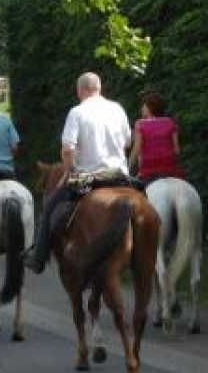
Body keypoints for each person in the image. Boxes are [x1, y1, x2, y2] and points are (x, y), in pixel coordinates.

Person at [23, 72, 131, 274]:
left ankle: (38, 257)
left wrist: (68, 170)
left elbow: (67, 148)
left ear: (80, 90)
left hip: (89, 178)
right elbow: (127, 143)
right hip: (120, 177)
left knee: (48, 209)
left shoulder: (77, 112)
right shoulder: (117, 108)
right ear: (99, 88)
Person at [128, 92, 184, 184]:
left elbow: (136, 150)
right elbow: (177, 150)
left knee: (136, 194)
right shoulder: (170, 122)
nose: (142, 108)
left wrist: (127, 168)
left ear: (150, 108)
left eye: (144, 106)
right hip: (170, 170)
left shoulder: (141, 124)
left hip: (149, 172)